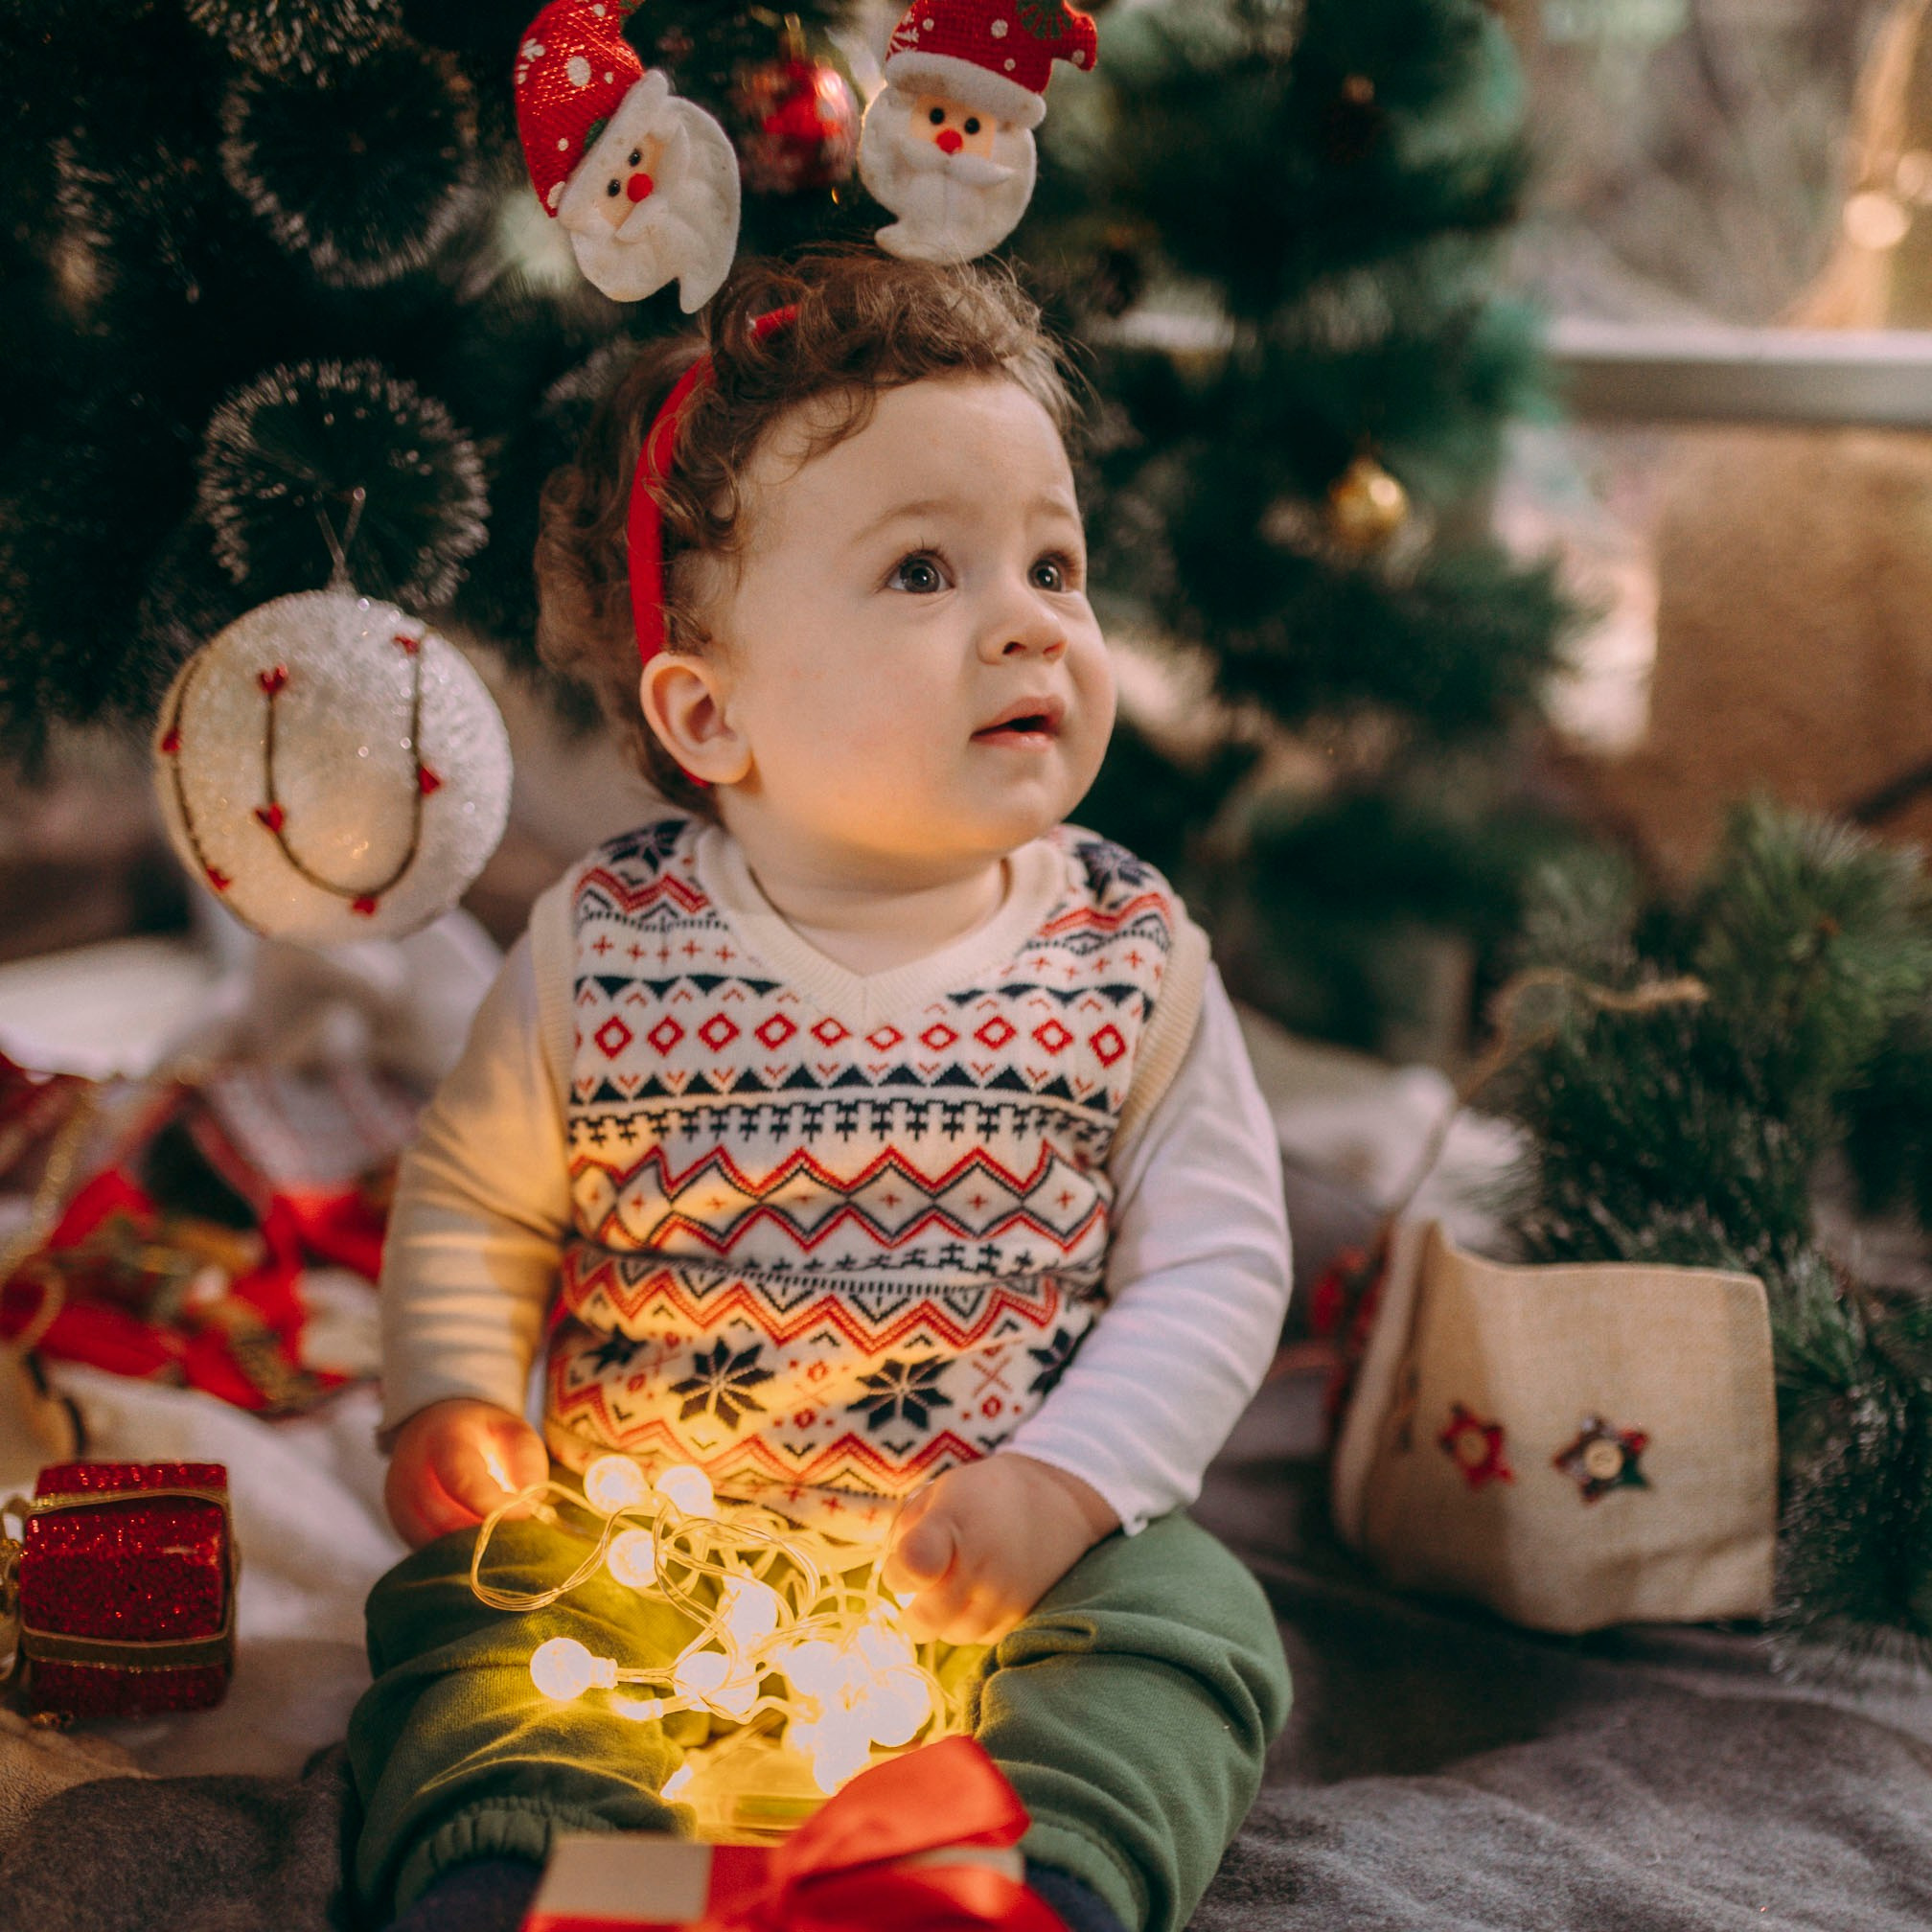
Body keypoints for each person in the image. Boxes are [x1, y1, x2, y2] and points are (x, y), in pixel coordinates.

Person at [349, 245, 1294, 1932]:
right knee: (466, 1620)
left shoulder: (1129, 957)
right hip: (649, 1580)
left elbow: (1218, 1268)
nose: (1029, 618)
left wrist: (1063, 1489)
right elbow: (476, 1199)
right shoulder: (603, 944)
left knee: (1196, 1619)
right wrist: (449, 1397)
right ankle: (527, 1869)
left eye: (1054, 565)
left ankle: (1024, 1873)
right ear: (710, 713)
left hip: (993, 1576)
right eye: (924, 570)